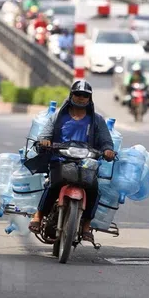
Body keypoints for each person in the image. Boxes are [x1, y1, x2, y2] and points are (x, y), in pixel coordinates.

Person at [27, 80, 115, 244]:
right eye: (78, 94)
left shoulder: (97, 120)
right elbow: (44, 135)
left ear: (90, 99)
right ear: (71, 95)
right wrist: (45, 141)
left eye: (85, 96)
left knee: (94, 190)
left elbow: (106, 141)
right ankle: (38, 216)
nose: (81, 98)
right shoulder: (59, 116)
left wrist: (108, 150)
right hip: (60, 159)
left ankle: (86, 226)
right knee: (53, 185)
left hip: (86, 163)